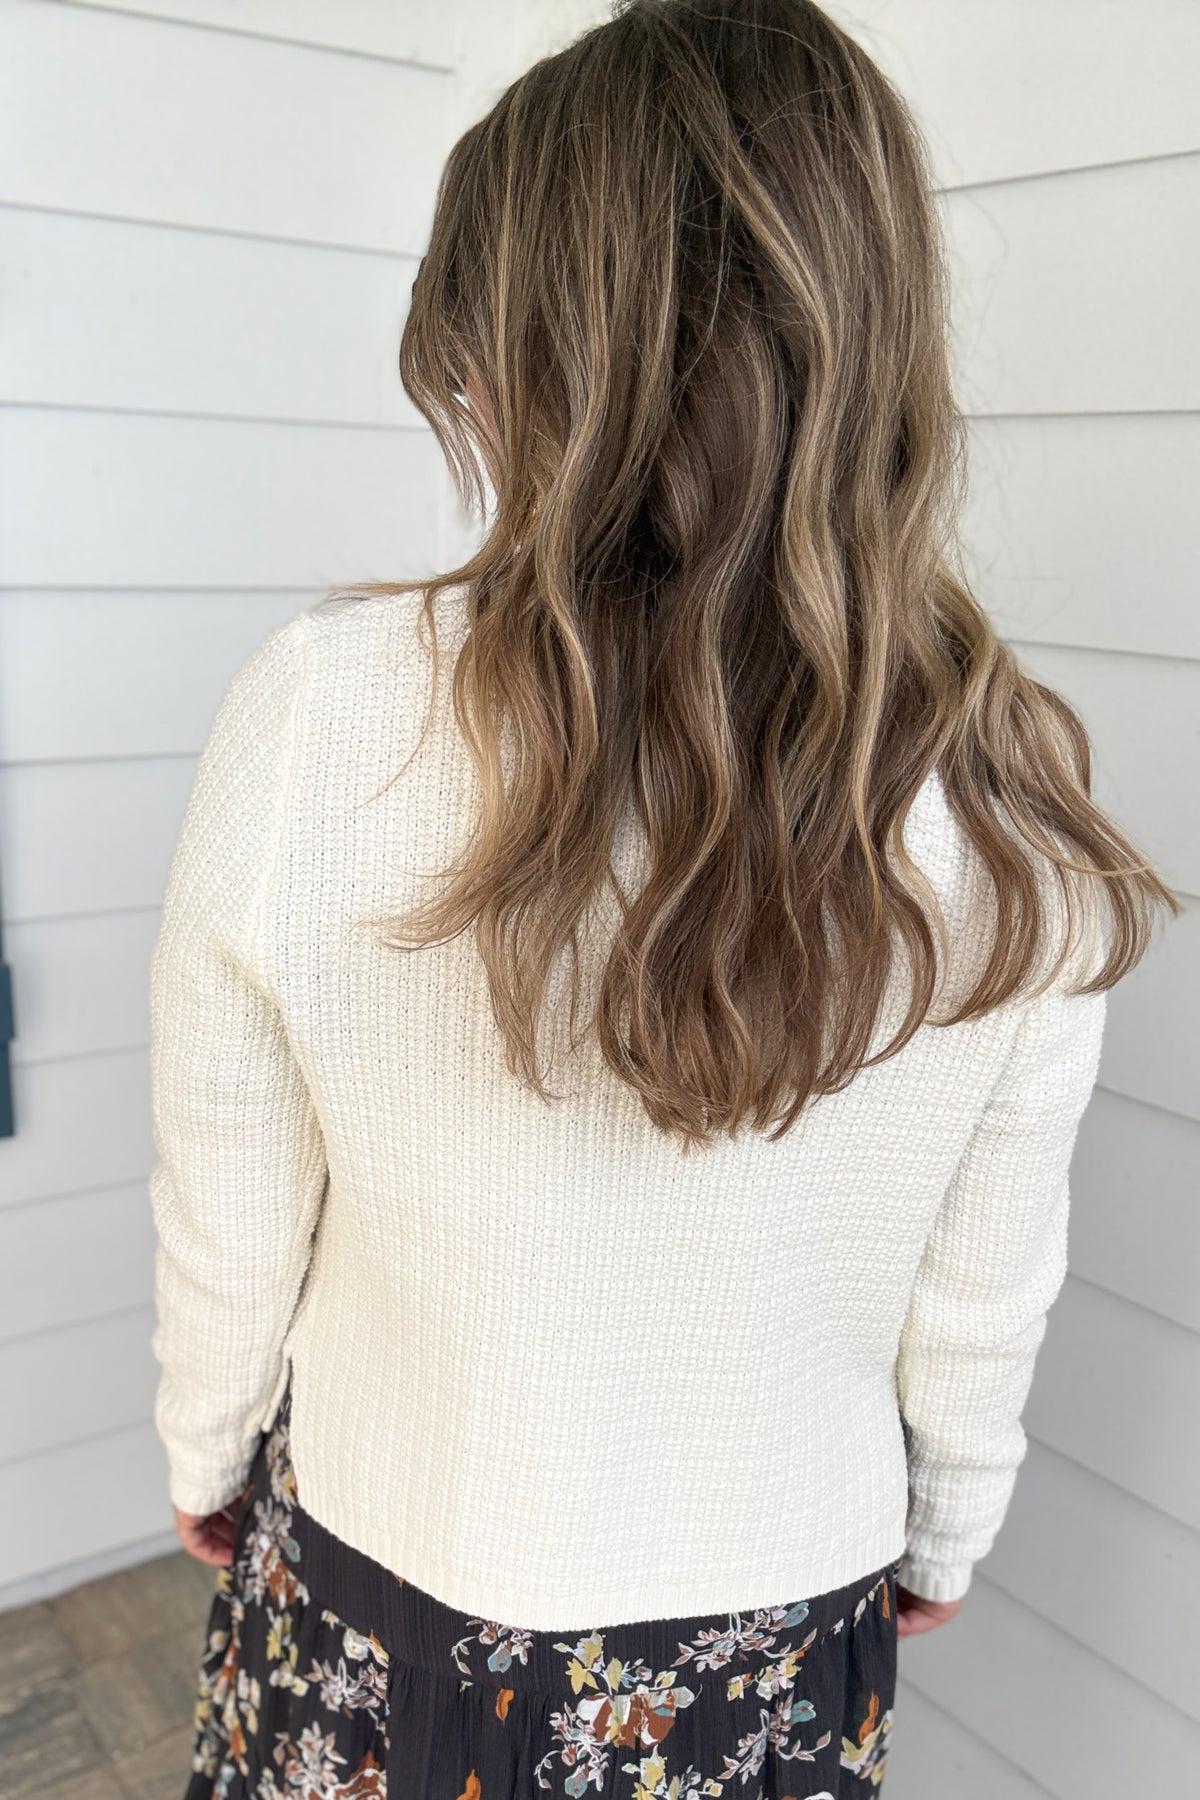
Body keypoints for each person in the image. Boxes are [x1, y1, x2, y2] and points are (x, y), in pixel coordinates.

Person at [148, 2, 1177, 1795]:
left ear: (527, 360)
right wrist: (952, 1517)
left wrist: (206, 1433)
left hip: (389, 1562)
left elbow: (229, 1174)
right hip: (774, 1614)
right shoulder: (1002, 787)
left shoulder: (322, 710)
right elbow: (984, 1275)